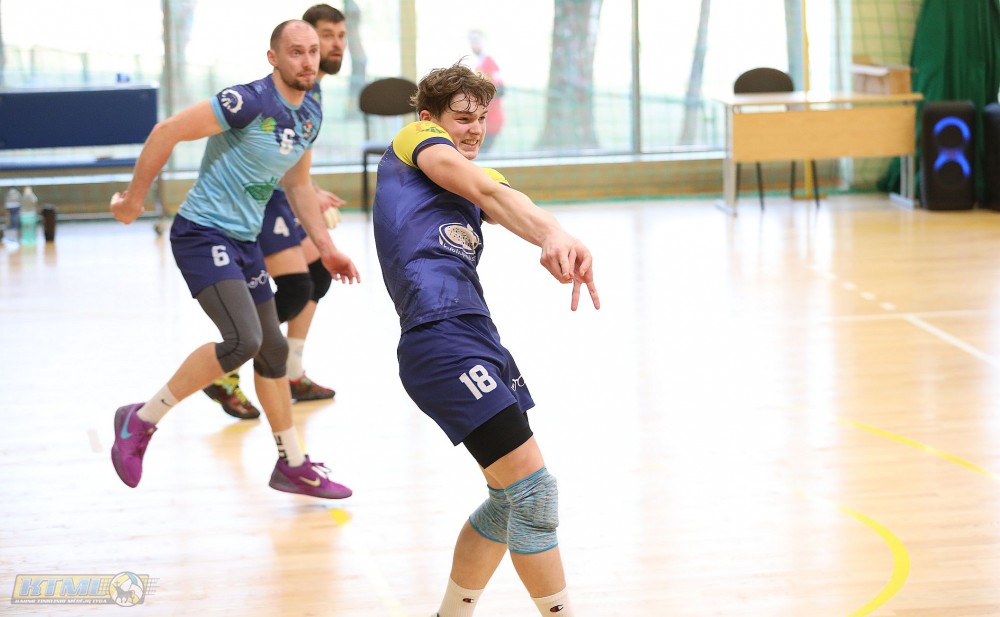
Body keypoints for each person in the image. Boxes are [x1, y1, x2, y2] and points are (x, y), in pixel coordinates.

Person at [372, 63, 599, 617]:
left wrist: (554, 233)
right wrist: (547, 232)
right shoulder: (415, 141)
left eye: (480, 118)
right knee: (535, 494)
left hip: (475, 334)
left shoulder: (474, 179)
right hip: (439, 336)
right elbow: (480, 186)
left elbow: (500, 198)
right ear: (430, 118)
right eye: (462, 118)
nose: (474, 129)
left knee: (506, 502)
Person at [108, 19, 359, 499]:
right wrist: (134, 200)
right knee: (243, 341)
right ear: (273, 58)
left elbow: (298, 184)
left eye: (313, 51)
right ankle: (140, 420)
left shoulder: (310, 112)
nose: (308, 60)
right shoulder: (246, 102)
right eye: (296, 52)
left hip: (244, 240)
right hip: (203, 233)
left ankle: (293, 465)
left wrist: (327, 250)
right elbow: (166, 131)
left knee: (273, 351)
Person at [203, 4, 350, 419]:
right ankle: (227, 365)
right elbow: (267, 153)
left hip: (281, 196)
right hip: (256, 199)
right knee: (297, 286)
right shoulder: (283, 88)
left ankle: (292, 370)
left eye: (340, 36)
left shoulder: (314, 90)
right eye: (326, 36)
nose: (335, 45)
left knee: (318, 274)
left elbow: (292, 157)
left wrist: (312, 191)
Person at [467, 30, 504, 153]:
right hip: (481, 120)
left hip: (490, 120)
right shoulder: (478, 64)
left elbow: (500, 90)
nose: (474, 43)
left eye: (476, 40)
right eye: (471, 40)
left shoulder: (489, 63)